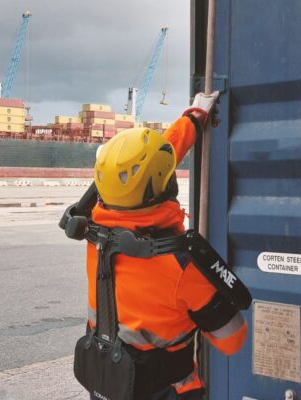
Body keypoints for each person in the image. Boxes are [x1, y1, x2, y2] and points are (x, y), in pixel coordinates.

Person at [64, 92, 249, 400]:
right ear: (168, 184)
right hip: (165, 391)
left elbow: (143, 170)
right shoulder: (182, 266)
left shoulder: (93, 233)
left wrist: (191, 119)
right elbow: (232, 340)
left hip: (108, 382)